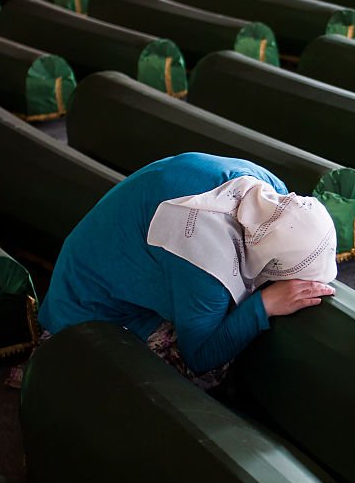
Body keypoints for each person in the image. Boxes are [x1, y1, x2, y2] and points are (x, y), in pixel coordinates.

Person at [36, 152, 338, 389]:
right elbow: (200, 357)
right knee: (211, 370)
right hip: (87, 315)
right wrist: (266, 304)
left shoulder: (268, 188)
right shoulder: (205, 258)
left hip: (99, 261)